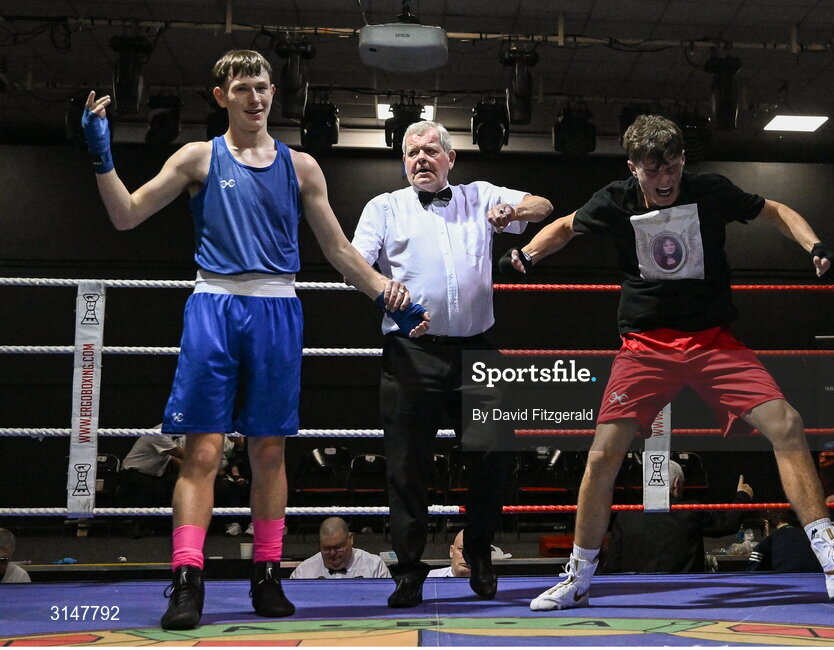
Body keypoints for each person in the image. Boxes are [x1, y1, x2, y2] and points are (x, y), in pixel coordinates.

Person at [81, 49, 428, 630]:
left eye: (262, 86)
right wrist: (100, 155)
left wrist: (388, 295)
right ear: (221, 96)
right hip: (213, 306)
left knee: (269, 452)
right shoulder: (197, 157)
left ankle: (266, 576)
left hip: (276, 309)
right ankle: (187, 581)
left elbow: (340, 251)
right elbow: (126, 215)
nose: (255, 97)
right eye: (242, 87)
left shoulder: (302, 168)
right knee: (203, 453)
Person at [497, 115, 834, 610]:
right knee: (602, 455)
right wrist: (528, 253)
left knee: (786, 424)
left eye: (673, 167)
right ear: (634, 166)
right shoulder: (616, 199)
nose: (665, 180)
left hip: (713, 342)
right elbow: (567, 226)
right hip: (645, 346)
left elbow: (775, 210)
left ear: (683, 160)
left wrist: (814, 245)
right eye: (654, 170)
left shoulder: (710, 191)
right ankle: (578, 578)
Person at [352, 120, 553, 607]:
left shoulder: (480, 194)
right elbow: (354, 263)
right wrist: (385, 293)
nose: (420, 158)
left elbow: (545, 207)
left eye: (430, 150)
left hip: (475, 350)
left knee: (496, 451)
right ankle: (408, 572)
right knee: (406, 466)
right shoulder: (384, 207)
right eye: (412, 152)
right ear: (403, 162)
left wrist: (512, 210)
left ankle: (479, 552)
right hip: (410, 352)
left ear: (450, 158)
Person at [602, 463, 753, 573]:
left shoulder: (626, 515)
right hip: (683, 589)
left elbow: (613, 564)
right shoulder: (690, 511)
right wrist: (742, 496)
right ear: (676, 484)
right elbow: (728, 523)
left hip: (636, 592)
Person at [290, 517, 391, 579]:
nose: (333, 553)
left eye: (338, 547)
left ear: (350, 539)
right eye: (326, 549)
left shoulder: (375, 566)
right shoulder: (303, 573)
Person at [118, 429, 184, 508]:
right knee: (144, 511)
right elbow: (182, 454)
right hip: (134, 476)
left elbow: (174, 459)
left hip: (150, 478)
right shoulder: (158, 433)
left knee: (175, 483)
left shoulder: (172, 437)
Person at [746, 509, 821, 572]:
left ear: (766, 524)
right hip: (815, 582)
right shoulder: (809, 536)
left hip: (784, 583)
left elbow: (751, 572)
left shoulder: (768, 541)